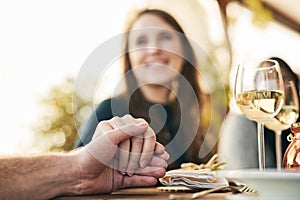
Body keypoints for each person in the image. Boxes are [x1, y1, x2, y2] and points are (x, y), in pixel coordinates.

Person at [75, 9, 216, 170]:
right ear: (130, 58)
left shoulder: (193, 117)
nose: (153, 50)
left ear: (184, 50)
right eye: (141, 41)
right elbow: (78, 176)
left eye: (165, 37)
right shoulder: (108, 114)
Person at [0, 115, 169, 199]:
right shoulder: (108, 108)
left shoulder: (191, 114)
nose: (153, 50)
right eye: (141, 43)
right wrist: (77, 170)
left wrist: (78, 171)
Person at [218, 57, 300, 169]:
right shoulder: (246, 124)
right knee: (237, 122)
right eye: (266, 80)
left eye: (281, 78)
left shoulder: (293, 118)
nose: (272, 85)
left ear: (295, 84)